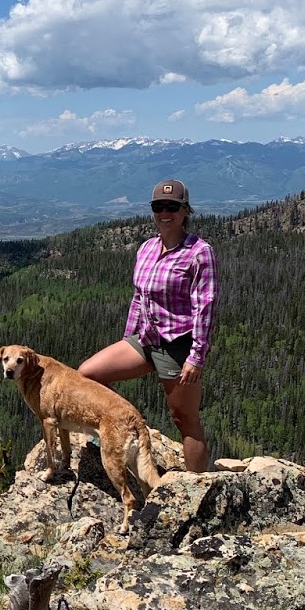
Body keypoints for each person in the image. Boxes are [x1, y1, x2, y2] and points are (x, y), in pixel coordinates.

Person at [78, 178, 217, 473]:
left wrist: (197, 356)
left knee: (185, 419)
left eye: (172, 206)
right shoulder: (146, 249)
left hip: (178, 344)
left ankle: (195, 489)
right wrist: (128, 338)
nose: (164, 212)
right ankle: (109, 437)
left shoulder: (199, 252)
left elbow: (205, 305)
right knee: (88, 375)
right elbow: (139, 298)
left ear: (185, 211)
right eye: (158, 206)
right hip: (145, 339)